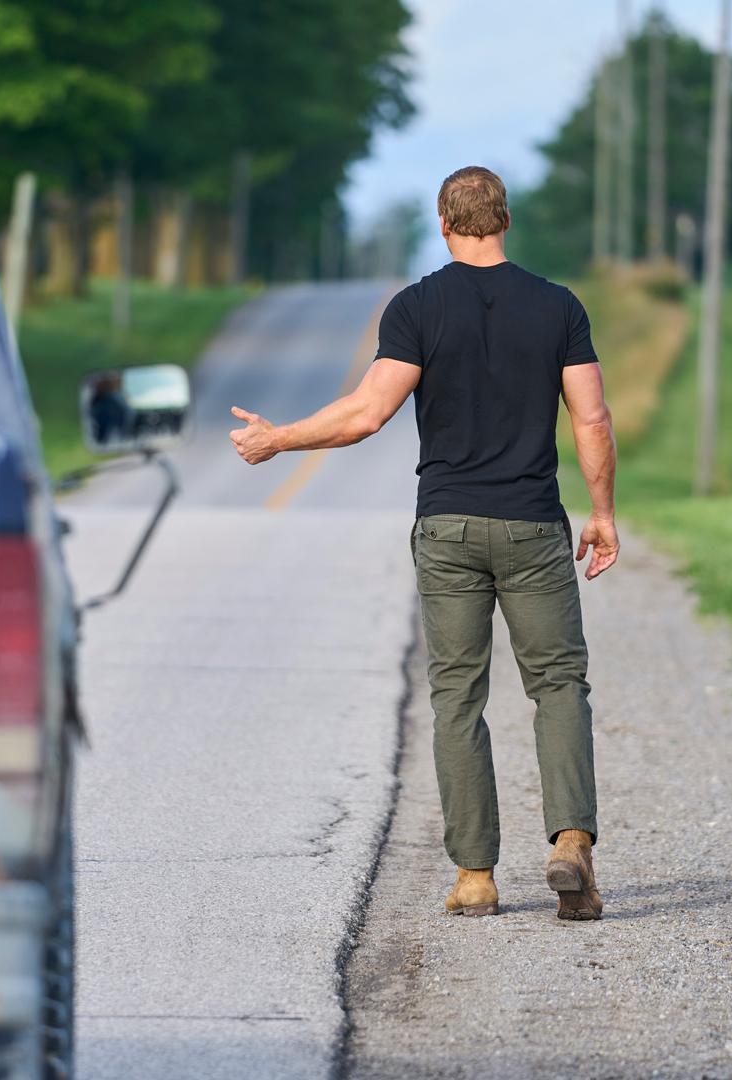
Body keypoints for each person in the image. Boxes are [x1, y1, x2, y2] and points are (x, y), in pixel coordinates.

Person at [227, 166, 618, 921]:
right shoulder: (558, 307)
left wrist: (279, 439)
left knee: (457, 698)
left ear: (444, 224)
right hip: (535, 525)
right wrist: (601, 511)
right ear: (505, 220)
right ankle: (570, 842)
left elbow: (367, 413)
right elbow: (592, 419)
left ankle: (476, 877)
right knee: (558, 686)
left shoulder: (417, 307)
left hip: (447, 530)